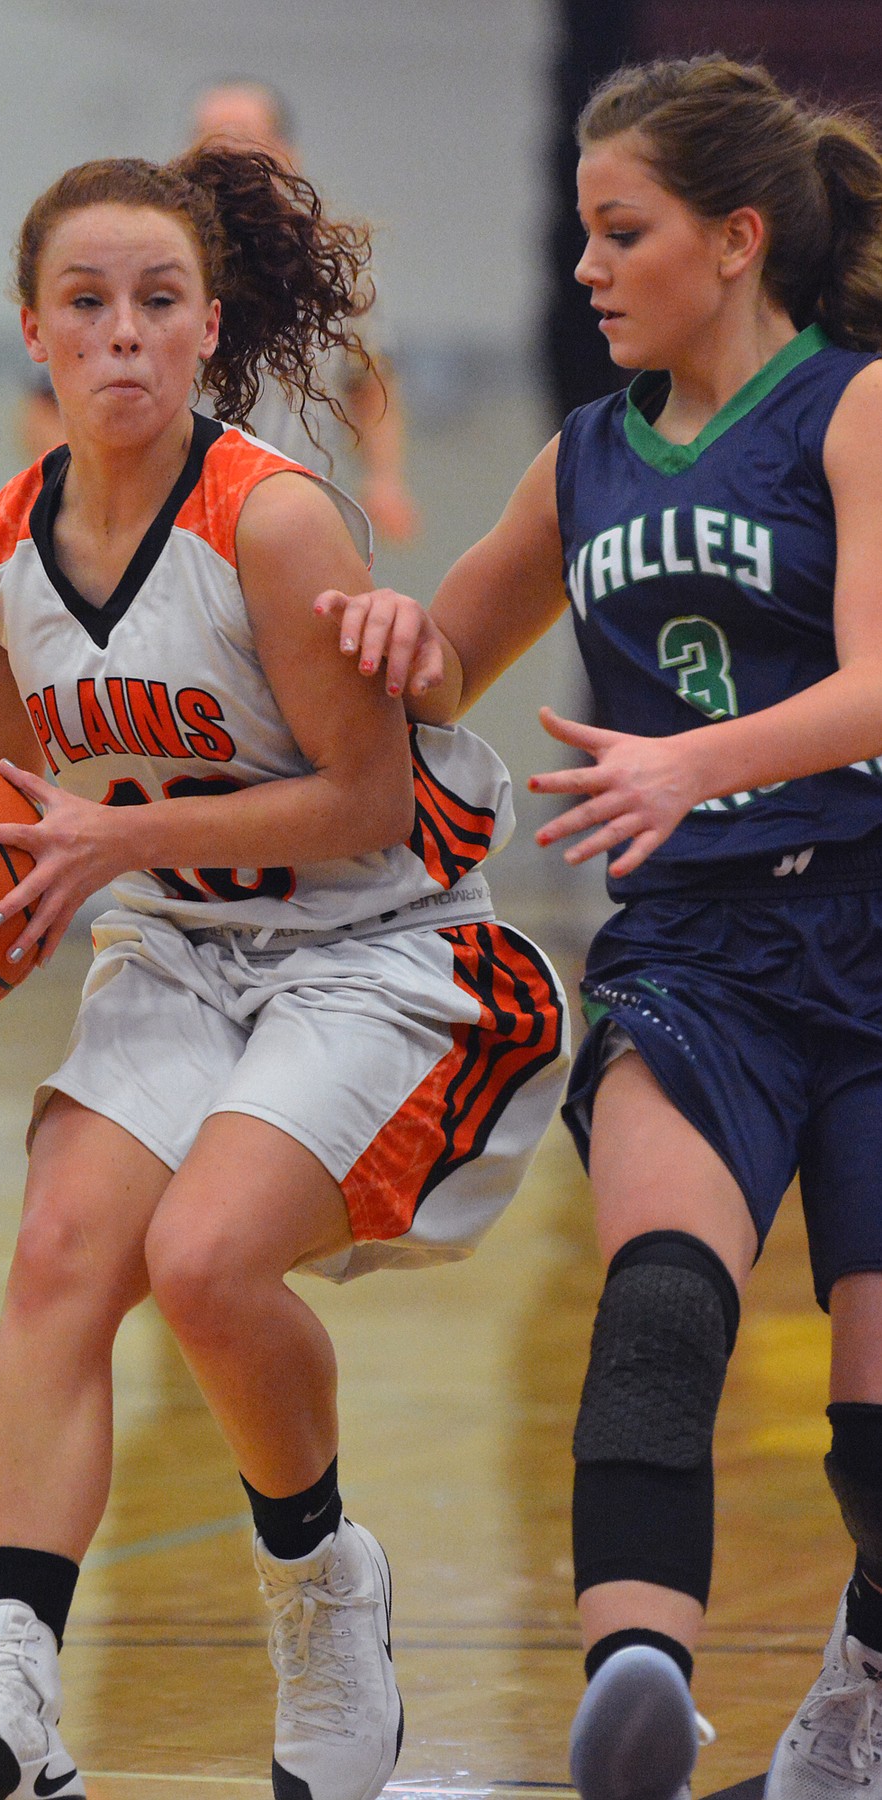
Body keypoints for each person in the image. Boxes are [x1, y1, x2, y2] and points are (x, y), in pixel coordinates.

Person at [0, 149, 568, 1800]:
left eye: (154, 304)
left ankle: (317, 1581)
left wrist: (112, 846)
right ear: (33, 333)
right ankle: (10, 1674)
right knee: (63, 1242)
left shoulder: (276, 522)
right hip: (182, 949)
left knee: (207, 1262)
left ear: (206, 330)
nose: (121, 334)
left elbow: (365, 801)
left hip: (373, 947)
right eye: (87, 304)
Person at [315, 53, 882, 1800]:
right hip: (692, 951)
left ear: (734, 239)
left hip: (869, 930)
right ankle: (639, 1674)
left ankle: (858, 1675)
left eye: (617, 231)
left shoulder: (854, 408)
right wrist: (355, 636)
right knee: (660, 1303)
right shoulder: (582, 460)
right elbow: (432, 671)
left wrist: (692, 758)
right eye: (580, 233)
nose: (583, 267)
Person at [188, 77, 422, 544]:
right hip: (180, 519)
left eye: (244, 139)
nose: (230, 159)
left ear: (286, 152)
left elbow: (369, 379)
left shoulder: (337, 265)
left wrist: (385, 479)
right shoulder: (158, 259)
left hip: (298, 516)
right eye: (212, 142)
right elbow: (50, 400)